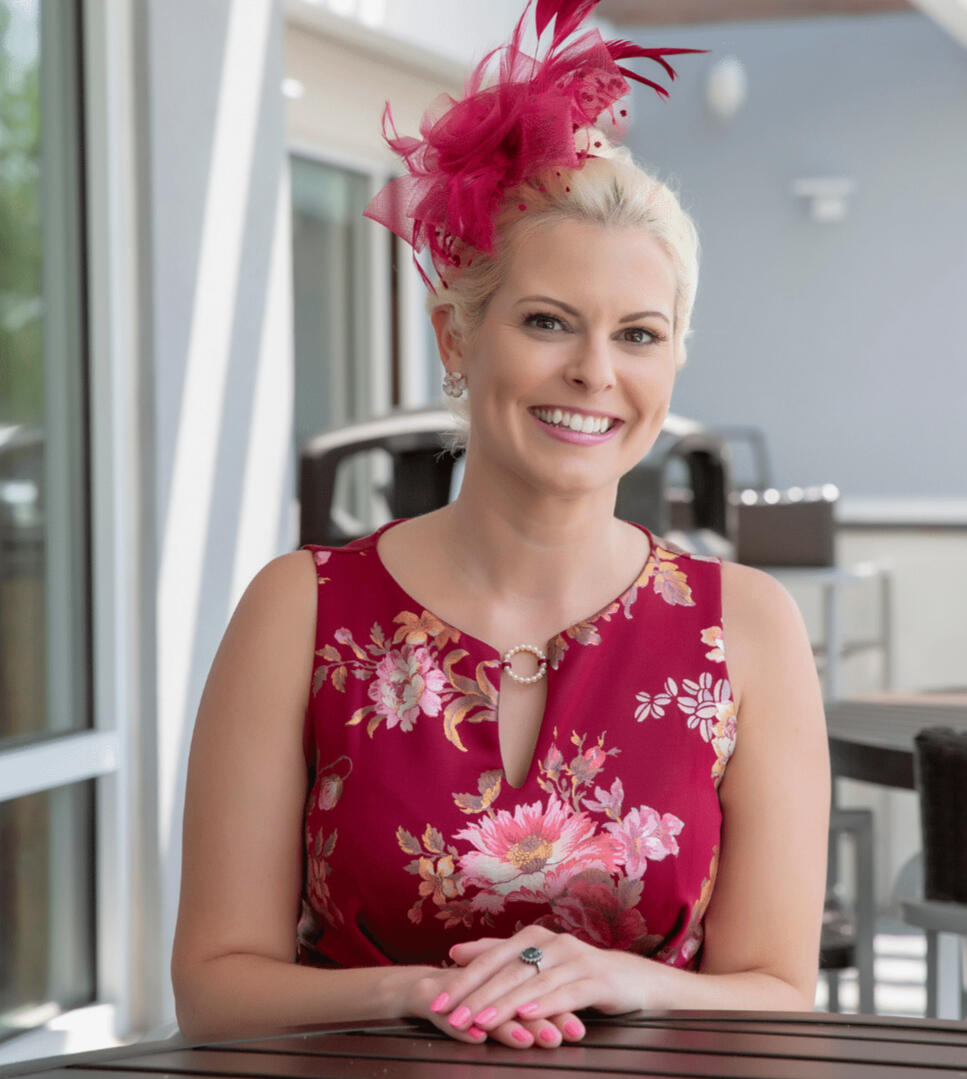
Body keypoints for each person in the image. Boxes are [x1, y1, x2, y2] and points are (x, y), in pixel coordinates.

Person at [171, 0, 829, 1051]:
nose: (594, 373)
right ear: (457, 335)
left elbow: (779, 987)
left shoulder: (746, 626)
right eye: (546, 321)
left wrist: (626, 977)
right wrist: (418, 990)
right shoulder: (299, 608)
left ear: (672, 362)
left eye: (639, 334)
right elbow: (214, 987)